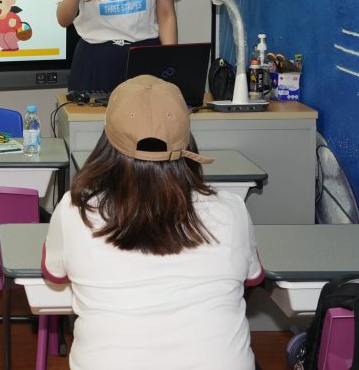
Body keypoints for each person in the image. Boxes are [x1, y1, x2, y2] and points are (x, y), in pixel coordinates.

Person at [43, 75, 264, 370]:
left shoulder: (75, 209)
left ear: (107, 139)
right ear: (187, 139)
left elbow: (55, 274)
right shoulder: (231, 209)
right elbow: (253, 278)